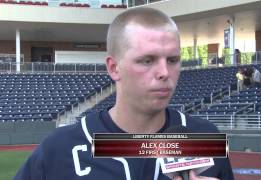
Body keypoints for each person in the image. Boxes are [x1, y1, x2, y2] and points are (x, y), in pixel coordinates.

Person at [14, 7, 234, 180]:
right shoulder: (58, 149)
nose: (164, 72)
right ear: (113, 68)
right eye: (147, 61)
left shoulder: (205, 139)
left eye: (173, 60)